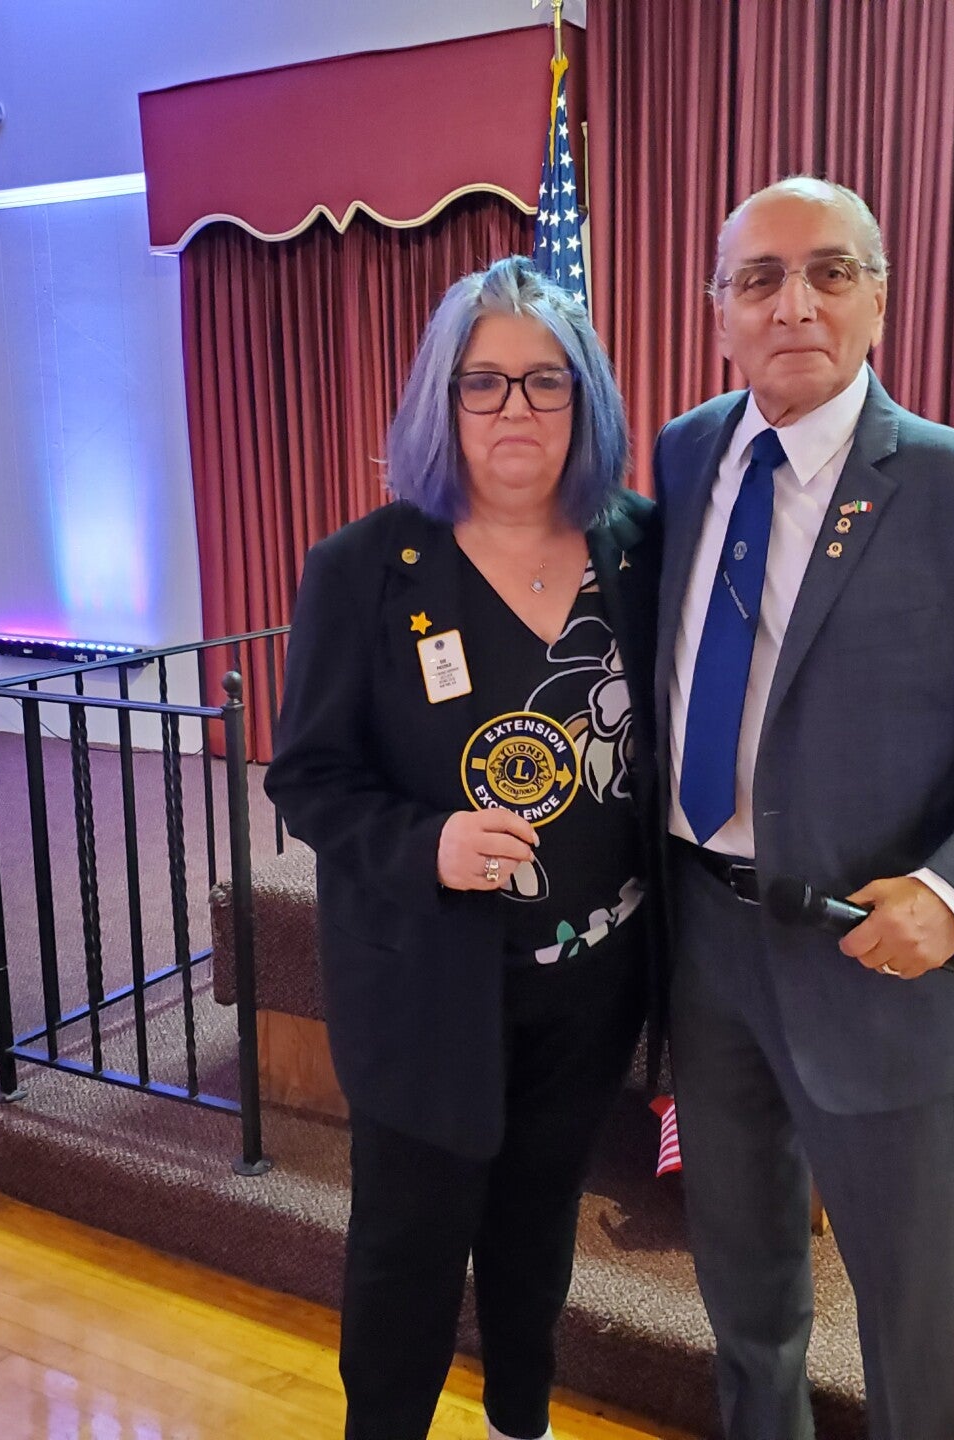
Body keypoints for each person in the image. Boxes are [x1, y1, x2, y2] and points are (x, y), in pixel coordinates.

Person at [656, 177, 954, 1440]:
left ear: (878, 302)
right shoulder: (686, 455)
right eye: (759, 278)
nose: (793, 303)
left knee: (910, 1316)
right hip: (706, 947)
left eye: (830, 271)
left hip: (879, 959)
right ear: (720, 310)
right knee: (743, 1292)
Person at [265, 255, 660, 1440]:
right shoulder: (363, 569)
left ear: (586, 398)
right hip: (426, 985)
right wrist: (424, 843)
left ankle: (519, 1422)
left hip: (592, 981)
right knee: (409, 1252)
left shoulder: (640, 548)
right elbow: (306, 779)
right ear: (442, 402)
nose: (514, 409)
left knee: (539, 1226)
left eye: (545, 380)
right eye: (482, 383)